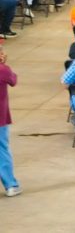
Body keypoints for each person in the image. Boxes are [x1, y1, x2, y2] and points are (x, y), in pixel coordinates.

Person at [0, 46, 18, 196]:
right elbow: (13, 80)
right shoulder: (3, 70)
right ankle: (10, 185)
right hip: (0, 119)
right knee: (2, 150)